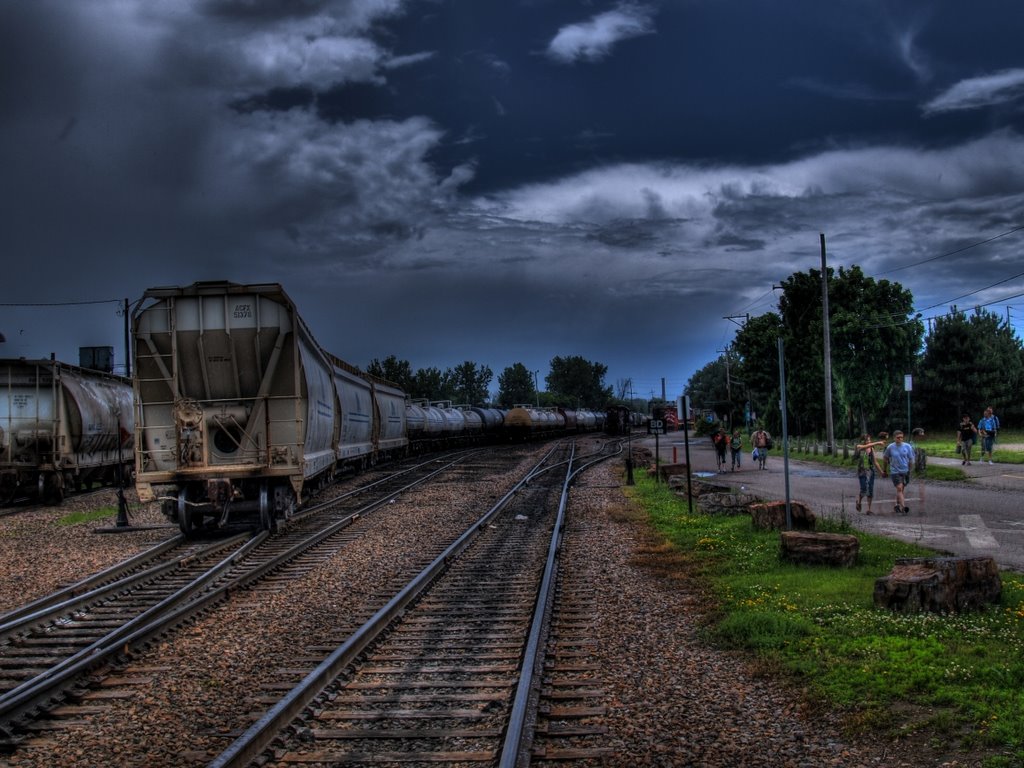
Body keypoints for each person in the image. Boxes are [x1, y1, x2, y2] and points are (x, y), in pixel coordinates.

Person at [882, 430, 916, 515]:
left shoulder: (907, 446)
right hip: (895, 471)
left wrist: (910, 469)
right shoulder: (890, 447)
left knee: (901, 489)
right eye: (898, 437)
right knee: (899, 488)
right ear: (894, 438)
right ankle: (903, 507)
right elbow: (885, 458)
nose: (900, 439)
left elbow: (911, 459)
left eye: (901, 437)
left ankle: (897, 504)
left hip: (905, 470)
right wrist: (885, 470)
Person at [853, 433, 884, 514]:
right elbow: (862, 447)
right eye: (867, 440)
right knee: (863, 489)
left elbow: (875, 462)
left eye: (869, 440)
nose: (868, 441)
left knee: (870, 489)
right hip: (862, 471)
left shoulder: (871, 449)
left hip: (870, 471)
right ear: (863, 441)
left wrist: (881, 472)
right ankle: (859, 501)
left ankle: (869, 509)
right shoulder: (859, 447)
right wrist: (877, 443)